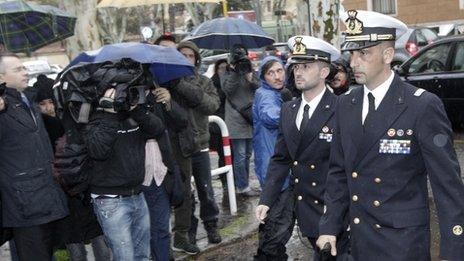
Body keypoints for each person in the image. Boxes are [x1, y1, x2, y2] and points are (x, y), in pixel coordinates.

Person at [316, 10, 464, 261]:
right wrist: (330, 225)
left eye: (363, 53)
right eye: (352, 53)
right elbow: (339, 171)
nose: (353, 63)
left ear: (387, 55)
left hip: (402, 243)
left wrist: (453, 250)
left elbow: (447, 186)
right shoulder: (346, 104)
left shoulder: (421, 105)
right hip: (358, 240)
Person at [256, 36, 350, 260]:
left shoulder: (342, 108)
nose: (298, 72)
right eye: (296, 66)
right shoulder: (288, 109)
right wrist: (266, 199)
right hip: (306, 209)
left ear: (324, 72)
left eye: (306, 66)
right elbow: (281, 158)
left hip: (334, 210)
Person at [0, 53, 69, 261]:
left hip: (47, 195)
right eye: (18, 69)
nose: (25, 72)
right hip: (24, 202)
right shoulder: (3, 105)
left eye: (24, 67)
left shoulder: (28, 99)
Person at [83, 87, 165, 260]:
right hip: (110, 201)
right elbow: (98, 150)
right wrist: (110, 113)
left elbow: (157, 128)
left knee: (142, 256)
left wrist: (136, 108)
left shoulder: (133, 115)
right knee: (125, 258)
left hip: (138, 194)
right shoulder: (93, 117)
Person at [153, 37, 206, 255]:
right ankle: (158, 241)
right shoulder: (146, 76)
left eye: (172, 50)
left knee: (182, 190)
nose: (168, 54)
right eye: (163, 50)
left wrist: (170, 98)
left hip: (180, 143)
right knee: (157, 194)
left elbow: (193, 105)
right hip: (151, 146)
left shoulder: (181, 75)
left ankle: (181, 236)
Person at [175, 41, 222, 246]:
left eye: (190, 56)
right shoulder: (169, 82)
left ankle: (211, 225)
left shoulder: (204, 81)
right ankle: (189, 231)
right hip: (179, 146)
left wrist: (189, 89)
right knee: (185, 193)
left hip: (201, 144)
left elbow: (213, 105)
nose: (186, 59)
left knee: (206, 190)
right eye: (182, 55)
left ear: (196, 59)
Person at [222, 44, 260, 197]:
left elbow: (259, 87)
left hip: (249, 118)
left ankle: (244, 184)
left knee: (247, 154)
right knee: (240, 155)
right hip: (236, 119)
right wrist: (235, 72)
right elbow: (228, 90)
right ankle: (242, 186)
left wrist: (250, 77)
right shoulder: (227, 73)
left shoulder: (250, 70)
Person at [252, 56, 289, 189]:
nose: (277, 77)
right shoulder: (266, 94)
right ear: (263, 77)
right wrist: (295, 113)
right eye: (270, 73)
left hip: (274, 159)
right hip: (272, 161)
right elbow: (270, 116)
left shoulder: (277, 92)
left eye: (279, 71)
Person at [209, 59, 229, 193]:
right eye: (221, 68)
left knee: (228, 154)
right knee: (223, 154)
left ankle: (228, 180)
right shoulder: (213, 82)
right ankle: (225, 182)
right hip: (217, 125)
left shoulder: (229, 81)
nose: (223, 70)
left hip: (229, 123)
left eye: (225, 68)